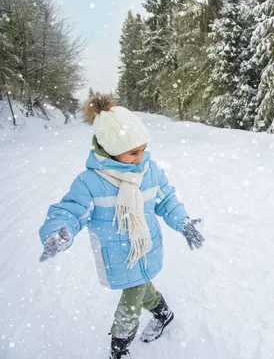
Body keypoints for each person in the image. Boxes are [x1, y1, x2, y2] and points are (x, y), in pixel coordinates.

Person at [38, 94, 205, 359]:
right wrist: (60, 230)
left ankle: (119, 349)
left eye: (143, 149)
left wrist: (183, 222)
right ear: (110, 150)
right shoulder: (90, 182)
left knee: (131, 301)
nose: (141, 157)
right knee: (140, 287)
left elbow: (167, 201)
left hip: (146, 247)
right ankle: (164, 314)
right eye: (133, 152)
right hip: (119, 256)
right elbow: (70, 210)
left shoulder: (150, 171)